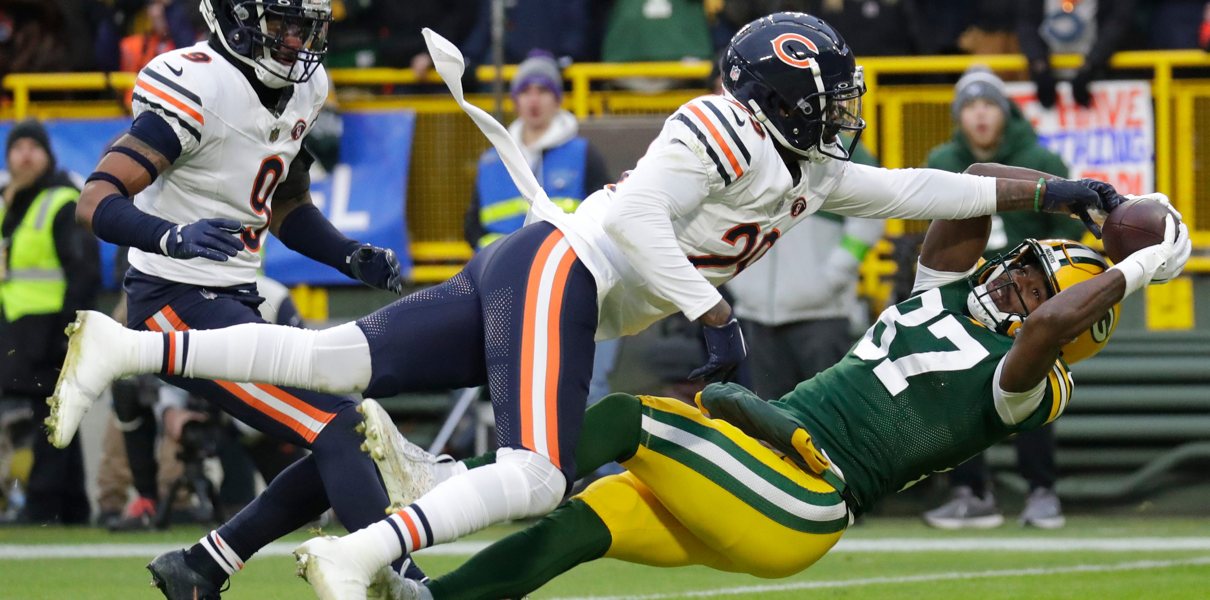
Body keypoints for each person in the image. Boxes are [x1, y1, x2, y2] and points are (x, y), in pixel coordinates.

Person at [52, 14, 1128, 599]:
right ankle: (360, 557)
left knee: (338, 362)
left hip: (550, 272)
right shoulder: (719, 126)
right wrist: (714, 317)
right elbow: (648, 227)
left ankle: (126, 348)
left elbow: (913, 190)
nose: (843, 115)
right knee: (536, 471)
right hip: (563, 274)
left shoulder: (795, 161)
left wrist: (1055, 191)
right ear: (782, 95)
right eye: (830, 97)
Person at [378, 164, 1189, 600]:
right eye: (1022, 272)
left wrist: (1144, 262)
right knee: (581, 527)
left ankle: (457, 483)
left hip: (802, 496)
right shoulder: (941, 293)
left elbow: (1048, 328)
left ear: (1079, 328)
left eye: (1034, 292)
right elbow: (974, 178)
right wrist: (1076, 201)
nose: (1014, 287)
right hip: (755, 455)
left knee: (633, 418)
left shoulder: (1035, 384)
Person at [45, 0, 418, 597]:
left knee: (342, 440)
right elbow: (97, 200)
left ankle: (202, 566)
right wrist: (172, 234)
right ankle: (399, 579)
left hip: (233, 301)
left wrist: (348, 254)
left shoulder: (304, 88)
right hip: (171, 302)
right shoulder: (199, 84)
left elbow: (286, 204)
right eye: (283, 23)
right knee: (344, 431)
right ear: (234, 17)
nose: (297, 40)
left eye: (306, 26)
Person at [922, 66, 1087, 530]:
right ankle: (970, 491)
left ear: (1003, 110)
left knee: (1031, 391)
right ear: (959, 115)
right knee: (957, 395)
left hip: (1028, 304)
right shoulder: (942, 158)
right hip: (966, 300)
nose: (979, 116)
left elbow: (1067, 234)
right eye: (970, 107)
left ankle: (1040, 489)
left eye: (988, 104)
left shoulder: (1041, 161)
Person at [0, 119, 101, 525]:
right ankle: (73, 508)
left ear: (48, 154)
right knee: (58, 418)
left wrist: (68, 332)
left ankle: (42, 507)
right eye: (17, 146)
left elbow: (84, 273)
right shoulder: (8, 204)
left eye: (33, 146)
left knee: (50, 417)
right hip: (15, 330)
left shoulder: (61, 201)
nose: (25, 154)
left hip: (49, 332)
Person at [727, 141, 883, 398]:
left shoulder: (844, 146)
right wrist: (738, 278)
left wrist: (833, 277)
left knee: (827, 416)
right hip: (755, 315)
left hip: (823, 316)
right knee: (768, 421)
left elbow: (870, 217)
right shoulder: (743, 139)